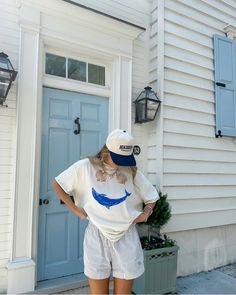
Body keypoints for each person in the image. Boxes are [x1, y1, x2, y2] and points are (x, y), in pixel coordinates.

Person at [52, 129, 159, 294]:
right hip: (97, 234)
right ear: (106, 152)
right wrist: (75, 210)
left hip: (126, 235)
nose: (122, 163)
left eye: (126, 158)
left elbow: (151, 196)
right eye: (118, 158)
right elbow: (58, 184)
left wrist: (147, 211)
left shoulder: (130, 170)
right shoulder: (85, 167)